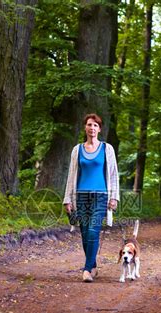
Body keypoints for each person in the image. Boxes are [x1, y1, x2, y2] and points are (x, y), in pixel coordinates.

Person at [63, 113, 120, 282]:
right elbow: (71, 175)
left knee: (94, 231)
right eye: (89, 125)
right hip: (81, 196)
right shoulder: (77, 149)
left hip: (101, 196)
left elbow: (113, 174)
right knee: (85, 232)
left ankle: (86, 270)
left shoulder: (107, 148)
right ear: (85, 128)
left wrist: (114, 197)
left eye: (95, 125)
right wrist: (67, 199)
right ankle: (93, 266)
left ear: (100, 129)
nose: (92, 128)